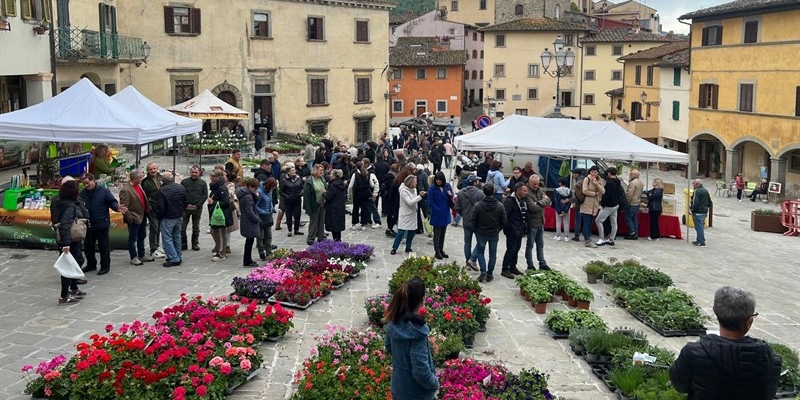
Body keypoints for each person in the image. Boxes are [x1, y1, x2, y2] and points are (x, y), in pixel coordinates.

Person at [669, 286, 782, 399]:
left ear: (715, 311)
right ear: (749, 321)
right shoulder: (770, 359)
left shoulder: (694, 353)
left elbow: (680, 386)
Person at [383, 276, 438, 400]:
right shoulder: (417, 333)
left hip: (399, 386)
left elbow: (388, 346)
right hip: (417, 393)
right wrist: (435, 382)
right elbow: (421, 372)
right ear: (422, 300)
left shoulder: (393, 321)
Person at [80, 173, 126, 275]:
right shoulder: (83, 193)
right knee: (88, 246)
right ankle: (91, 264)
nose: (86, 185)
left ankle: (105, 266)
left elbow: (111, 202)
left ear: (93, 180)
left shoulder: (103, 191)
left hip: (101, 223)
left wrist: (117, 208)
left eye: (87, 183)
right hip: (88, 224)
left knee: (103, 246)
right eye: (84, 184)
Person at [55, 180, 89, 305]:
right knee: (69, 266)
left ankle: (73, 288)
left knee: (77, 261)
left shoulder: (65, 203)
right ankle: (64, 295)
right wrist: (66, 244)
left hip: (70, 240)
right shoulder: (69, 206)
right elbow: (65, 225)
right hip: (69, 241)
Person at [470, 184, 507, 282]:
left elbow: (473, 220)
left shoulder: (478, 205)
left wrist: (476, 231)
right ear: (494, 192)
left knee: (480, 252)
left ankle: (483, 272)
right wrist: (498, 229)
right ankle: (490, 273)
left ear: (483, 192)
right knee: (493, 254)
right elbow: (504, 220)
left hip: (481, 232)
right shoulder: (499, 205)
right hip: (494, 233)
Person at [119, 169, 149, 266]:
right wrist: (130, 219)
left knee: (142, 236)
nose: (142, 179)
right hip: (134, 218)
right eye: (140, 177)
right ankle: (133, 257)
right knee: (133, 238)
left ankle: (142, 254)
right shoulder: (126, 190)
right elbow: (124, 207)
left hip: (142, 216)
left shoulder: (139, 185)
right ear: (134, 178)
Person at [157, 172, 187, 268]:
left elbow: (161, 207)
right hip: (178, 216)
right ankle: (177, 255)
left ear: (162, 180)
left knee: (167, 238)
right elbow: (185, 201)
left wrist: (159, 217)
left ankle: (173, 258)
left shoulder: (162, 190)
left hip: (168, 217)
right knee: (176, 236)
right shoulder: (180, 187)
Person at [391, 175, 426, 255]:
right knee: (401, 232)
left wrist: (418, 199)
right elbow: (409, 202)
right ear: (411, 182)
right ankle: (394, 247)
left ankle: (408, 247)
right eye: (415, 181)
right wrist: (420, 196)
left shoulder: (414, 189)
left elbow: (415, 200)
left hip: (413, 213)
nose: (416, 183)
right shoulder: (403, 191)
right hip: (405, 214)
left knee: (412, 231)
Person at [455, 174, 483, 271]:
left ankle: (468, 263)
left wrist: (464, 214)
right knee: (480, 242)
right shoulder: (480, 193)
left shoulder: (461, 193)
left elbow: (457, 208)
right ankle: (472, 259)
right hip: (477, 222)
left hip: (466, 221)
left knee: (467, 243)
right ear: (475, 182)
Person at [501, 182, 528, 279]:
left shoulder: (522, 200)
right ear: (518, 191)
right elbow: (505, 216)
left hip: (519, 229)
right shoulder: (510, 201)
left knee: (516, 249)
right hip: (512, 229)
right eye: (524, 191)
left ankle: (513, 266)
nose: (526, 192)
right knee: (511, 249)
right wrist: (508, 227)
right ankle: (505, 268)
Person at [524, 175, 551, 271]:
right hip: (532, 222)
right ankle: (530, 264)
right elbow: (532, 207)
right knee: (530, 244)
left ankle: (542, 262)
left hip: (541, 221)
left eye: (537, 183)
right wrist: (543, 202)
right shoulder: (526, 192)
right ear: (530, 183)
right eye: (534, 184)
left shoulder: (539, 189)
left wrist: (539, 203)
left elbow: (548, 200)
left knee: (540, 244)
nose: (536, 185)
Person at [207, 170, 233, 262]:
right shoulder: (215, 186)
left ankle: (222, 253)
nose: (211, 178)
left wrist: (213, 202)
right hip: (215, 213)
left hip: (221, 214)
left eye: (213, 176)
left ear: (218, 177)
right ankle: (219, 249)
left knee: (222, 233)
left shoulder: (221, 188)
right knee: (215, 232)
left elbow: (226, 202)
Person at [181, 165, 208, 251]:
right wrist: (186, 204)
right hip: (185, 208)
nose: (194, 174)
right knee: (182, 226)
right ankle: (183, 243)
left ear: (199, 173)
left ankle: (195, 242)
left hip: (197, 208)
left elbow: (205, 195)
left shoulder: (203, 183)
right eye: (192, 172)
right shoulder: (184, 182)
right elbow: (182, 194)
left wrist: (198, 205)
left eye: (196, 172)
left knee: (196, 226)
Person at [236, 178, 262, 267]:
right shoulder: (248, 197)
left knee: (249, 241)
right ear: (250, 186)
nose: (256, 189)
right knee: (249, 241)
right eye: (254, 188)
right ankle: (247, 260)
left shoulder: (243, 193)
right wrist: (257, 219)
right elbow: (250, 211)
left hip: (245, 220)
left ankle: (247, 259)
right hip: (249, 221)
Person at [428, 171, 453, 260]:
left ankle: (441, 249)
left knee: (443, 233)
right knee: (437, 234)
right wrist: (437, 209)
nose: (438, 181)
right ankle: (437, 251)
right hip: (437, 214)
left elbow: (451, 196)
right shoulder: (432, 188)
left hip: (445, 212)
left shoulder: (447, 186)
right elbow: (430, 202)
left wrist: (451, 195)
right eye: (437, 180)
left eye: (440, 180)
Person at [595, 167, 622, 247]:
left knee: (598, 220)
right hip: (616, 205)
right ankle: (611, 239)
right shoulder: (618, 182)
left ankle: (601, 238)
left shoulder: (610, 183)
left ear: (609, 174)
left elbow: (606, 195)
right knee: (614, 222)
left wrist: (602, 204)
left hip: (609, 205)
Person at [141, 163, 164, 259]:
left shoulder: (161, 178)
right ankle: (153, 249)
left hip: (161, 207)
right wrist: (148, 207)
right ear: (148, 171)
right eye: (151, 169)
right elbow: (144, 196)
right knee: (154, 228)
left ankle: (157, 245)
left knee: (159, 227)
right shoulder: (146, 182)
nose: (153, 171)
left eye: (154, 168)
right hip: (152, 208)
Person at [580, 166, 605, 248]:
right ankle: (587, 240)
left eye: (595, 171)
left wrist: (596, 184)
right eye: (592, 171)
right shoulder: (587, 179)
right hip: (587, 203)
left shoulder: (599, 180)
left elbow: (603, 191)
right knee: (586, 223)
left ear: (598, 172)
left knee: (590, 223)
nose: (593, 173)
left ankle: (588, 238)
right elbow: (585, 191)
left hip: (595, 205)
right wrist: (594, 194)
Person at [303, 164, 327, 245]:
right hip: (314, 204)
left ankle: (321, 237)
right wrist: (308, 208)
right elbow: (306, 196)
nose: (322, 172)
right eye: (320, 170)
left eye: (322, 170)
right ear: (315, 170)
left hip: (322, 204)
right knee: (314, 222)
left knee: (321, 221)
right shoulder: (309, 181)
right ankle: (310, 238)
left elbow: (325, 188)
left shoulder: (322, 179)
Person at [255, 178, 276, 260]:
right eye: (272, 187)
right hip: (261, 217)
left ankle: (268, 251)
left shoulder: (269, 191)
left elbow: (270, 200)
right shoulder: (259, 192)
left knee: (269, 235)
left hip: (268, 216)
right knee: (260, 236)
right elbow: (255, 205)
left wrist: (271, 207)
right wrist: (263, 211)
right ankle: (261, 252)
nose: (273, 189)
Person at [280, 166, 303, 236]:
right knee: (289, 215)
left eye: (294, 170)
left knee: (297, 215)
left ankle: (296, 230)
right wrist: (287, 196)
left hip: (297, 200)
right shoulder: (284, 180)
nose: (294, 172)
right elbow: (281, 191)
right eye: (292, 170)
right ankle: (289, 230)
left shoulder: (298, 179)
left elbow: (302, 187)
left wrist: (301, 193)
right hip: (288, 201)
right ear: (288, 172)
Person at [348, 161, 373, 231]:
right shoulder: (368, 173)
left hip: (358, 193)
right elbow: (372, 184)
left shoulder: (355, 174)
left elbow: (350, 186)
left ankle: (354, 224)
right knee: (364, 208)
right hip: (365, 193)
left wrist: (349, 194)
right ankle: (363, 224)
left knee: (355, 208)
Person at [324, 169, 347, 241]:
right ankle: (338, 240)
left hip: (333, 207)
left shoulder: (333, 185)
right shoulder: (341, 184)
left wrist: (324, 193)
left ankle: (336, 240)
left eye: (331, 174)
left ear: (334, 176)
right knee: (338, 225)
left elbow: (329, 197)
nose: (329, 175)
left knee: (334, 224)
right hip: (340, 206)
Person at [690, 179, 712, 247]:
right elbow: (710, 202)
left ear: (697, 184)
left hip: (698, 211)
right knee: (700, 226)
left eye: (693, 183)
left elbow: (695, 202)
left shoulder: (697, 191)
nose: (692, 185)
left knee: (699, 227)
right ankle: (700, 240)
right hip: (704, 212)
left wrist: (692, 210)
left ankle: (701, 241)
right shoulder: (705, 190)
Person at [623, 169, 644, 240]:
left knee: (628, 218)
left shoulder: (633, 183)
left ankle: (632, 232)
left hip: (632, 203)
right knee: (634, 218)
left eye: (631, 174)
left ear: (634, 175)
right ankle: (635, 232)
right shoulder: (640, 182)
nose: (630, 175)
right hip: (637, 203)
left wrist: (626, 202)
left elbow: (629, 194)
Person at [553, 177, 572, 242]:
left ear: (560, 183)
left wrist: (558, 211)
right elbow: (569, 201)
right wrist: (565, 210)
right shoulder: (569, 191)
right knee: (566, 223)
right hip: (566, 209)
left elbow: (556, 201)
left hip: (558, 209)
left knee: (558, 222)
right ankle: (566, 237)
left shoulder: (556, 190)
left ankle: (558, 236)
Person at [570, 168, 586, 242]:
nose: (572, 175)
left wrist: (572, 200)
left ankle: (576, 236)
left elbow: (578, 195)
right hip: (586, 202)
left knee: (578, 219)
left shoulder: (578, 183)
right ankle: (586, 235)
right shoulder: (585, 180)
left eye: (573, 173)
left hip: (580, 202)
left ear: (577, 174)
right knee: (586, 219)